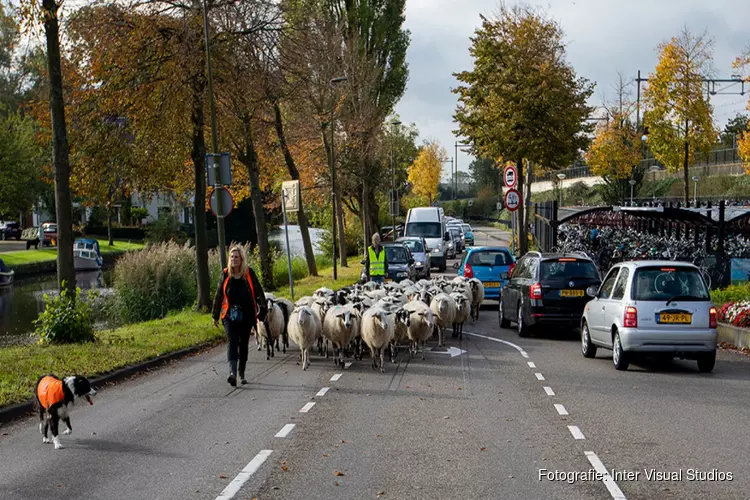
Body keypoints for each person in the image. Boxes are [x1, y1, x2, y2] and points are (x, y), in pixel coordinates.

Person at [212, 245, 266, 387]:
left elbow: (258, 291)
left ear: (241, 259)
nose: (234, 259)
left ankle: (241, 373)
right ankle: (232, 373)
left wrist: (263, 310)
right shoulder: (225, 274)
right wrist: (215, 315)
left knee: (243, 344)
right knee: (232, 341)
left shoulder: (248, 273)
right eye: (232, 257)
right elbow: (218, 295)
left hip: (247, 314)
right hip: (229, 314)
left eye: (237, 257)